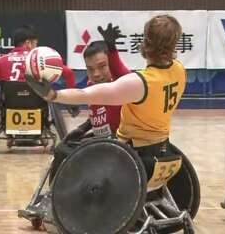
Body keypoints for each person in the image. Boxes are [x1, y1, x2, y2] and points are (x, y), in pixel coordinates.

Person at [25, 14, 186, 178]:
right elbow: (122, 76)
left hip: (131, 153)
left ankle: (56, 199)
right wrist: (111, 47)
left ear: (145, 43)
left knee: (63, 150)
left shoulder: (141, 83)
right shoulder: (179, 71)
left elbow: (86, 95)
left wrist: (53, 95)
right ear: (174, 45)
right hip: (161, 148)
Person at [48, 24, 132, 182]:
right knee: (63, 146)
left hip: (120, 145)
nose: (96, 74)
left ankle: (55, 196)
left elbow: (123, 75)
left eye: (102, 67)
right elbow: (98, 115)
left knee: (63, 151)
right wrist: (82, 128)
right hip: (101, 140)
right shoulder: (90, 86)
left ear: (111, 63)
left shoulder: (123, 84)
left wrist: (112, 47)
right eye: (90, 69)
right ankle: (52, 195)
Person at [0, 24, 76, 125]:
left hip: (10, 103)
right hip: (37, 102)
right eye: (35, 44)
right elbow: (69, 73)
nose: (36, 47)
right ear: (28, 43)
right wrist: (72, 103)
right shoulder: (41, 60)